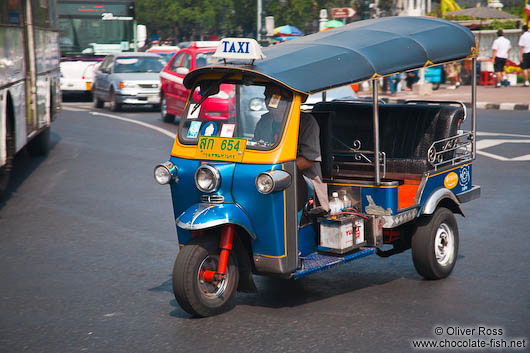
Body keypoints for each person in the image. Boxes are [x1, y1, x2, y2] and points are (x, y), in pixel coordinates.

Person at [254, 87, 329, 212]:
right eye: (267, 99)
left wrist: (278, 171)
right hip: (267, 179)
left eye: (277, 101)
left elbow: (308, 159)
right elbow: (257, 148)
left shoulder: (307, 122)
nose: (271, 106)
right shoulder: (264, 121)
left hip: (302, 180)